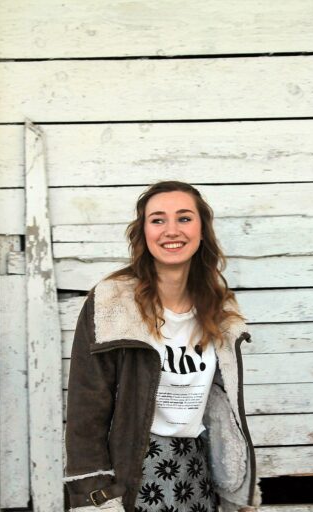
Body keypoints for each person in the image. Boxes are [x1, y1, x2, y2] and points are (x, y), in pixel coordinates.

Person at [63, 181, 259, 512]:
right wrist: (95, 493)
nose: (171, 230)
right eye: (157, 220)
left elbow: (223, 410)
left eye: (184, 218)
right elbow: (86, 407)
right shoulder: (111, 302)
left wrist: (234, 488)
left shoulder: (219, 310)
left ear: (201, 230)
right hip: (132, 475)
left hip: (197, 472)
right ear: (143, 231)